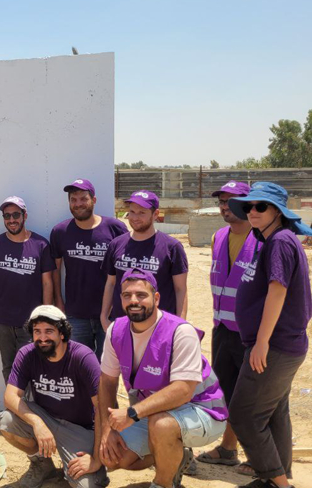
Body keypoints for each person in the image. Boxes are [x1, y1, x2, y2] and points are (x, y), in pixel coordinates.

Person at [98, 269, 228, 488]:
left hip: (203, 410)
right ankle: (175, 456)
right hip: (155, 411)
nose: (134, 301)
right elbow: (107, 382)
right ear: (120, 299)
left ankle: (162, 483)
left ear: (156, 298)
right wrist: (107, 431)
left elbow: (183, 390)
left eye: (141, 295)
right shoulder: (116, 330)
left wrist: (132, 413)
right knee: (114, 456)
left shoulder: (180, 331)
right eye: (127, 295)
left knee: (162, 425)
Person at [226, 182, 312, 488]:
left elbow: (278, 291)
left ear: (277, 211)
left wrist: (261, 342)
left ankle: (279, 483)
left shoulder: (280, 242)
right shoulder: (274, 241)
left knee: (244, 415)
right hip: (280, 345)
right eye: (249, 206)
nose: (252, 212)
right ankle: (276, 477)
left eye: (260, 206)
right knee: (274, 412)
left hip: (275, 346)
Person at [0, 305, 109, 488]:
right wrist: (38, 423)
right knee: (6, 421)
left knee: (84, 485)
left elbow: (102, 408)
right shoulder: (27, 354)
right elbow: (10, 397)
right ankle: (43, 466)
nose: (42, 338)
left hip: (79, 430)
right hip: (46, 419)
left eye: (49, 331)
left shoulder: (83, 357)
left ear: (62, 333)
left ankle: (96, 469)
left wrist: (96, 458)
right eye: (37, 331)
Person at [196, 181, 254, 470]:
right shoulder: (219, 237)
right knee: (227, 392)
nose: (224, 206)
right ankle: (229, 448)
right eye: (221, 201)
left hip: (252, 334)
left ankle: (262, 458)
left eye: (231, 200)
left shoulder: (264, 240)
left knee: (254, 396)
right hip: (222, 328)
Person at [50, 180, 127, 359]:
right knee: (78, 365)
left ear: (94, 199)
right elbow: (55, 269)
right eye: (73, 200)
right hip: (75, 314)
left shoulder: (115, 228)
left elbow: (125, 269)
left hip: (110, 313)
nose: (78, 204)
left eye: (83, 199)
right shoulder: (60, 232)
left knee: (108, 367)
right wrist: (59, 301)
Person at [0, 196, 57, 383]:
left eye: (16, 215)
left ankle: (28, 409)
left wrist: (46, 317)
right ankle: (14, 409)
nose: (11, 220)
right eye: (7, 215)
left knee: (31, 367)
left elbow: (47, 283)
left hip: (31, 322)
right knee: (8, 367)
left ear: (25, 215)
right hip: (3, 321)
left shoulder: (41, 245)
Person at [100, 190, 188, 331]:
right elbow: (111, 283)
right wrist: (104, 317)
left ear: (155, 214)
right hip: (122, 327)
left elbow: (180, 289)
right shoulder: (116, 244)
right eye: (132, 212)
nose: (135, 217)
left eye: (142, 213)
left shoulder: (172, 247)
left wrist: (180, 325)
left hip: (159, 327)